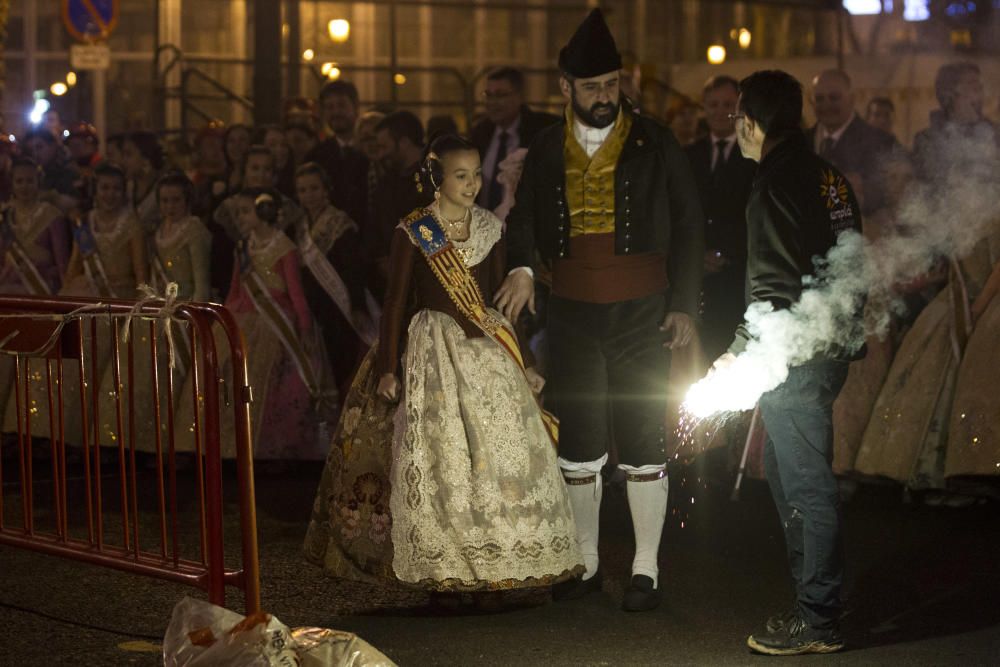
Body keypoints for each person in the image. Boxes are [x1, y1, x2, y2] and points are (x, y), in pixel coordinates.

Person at [304, 133, 583, 595]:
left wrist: (526, 361)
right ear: (437, 177)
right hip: (431, 355)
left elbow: (496, 306)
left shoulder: (491, 228)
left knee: (496, 464)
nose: (472, 184)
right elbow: (394, 303)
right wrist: (390, 366)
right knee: (443, 464)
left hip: (487, 357)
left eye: (476, 175)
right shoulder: (415, 230)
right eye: (460, 175)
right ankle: (445, 572)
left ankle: (497, 566)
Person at [496, 8, 705, 612]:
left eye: (611, 84)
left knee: (644, 438)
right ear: (565, 88)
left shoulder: (656, 139)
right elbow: (526, 220)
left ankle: (646, 569)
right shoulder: (542, 146)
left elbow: (690, 223)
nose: (605, 96)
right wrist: (526, 269)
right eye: (592, 88)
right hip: (574, 312)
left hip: (643, 309)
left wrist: (684, 305)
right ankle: (584, 563)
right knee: (580, 440)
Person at [712, 70, 862, 655]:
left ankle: (818, 619)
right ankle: (815, 600)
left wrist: (737, 352)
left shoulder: (774, 182)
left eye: (737, 119)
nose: (736, 129)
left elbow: (771, 289)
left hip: (794, 355)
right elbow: (854, 263)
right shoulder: (829, 175)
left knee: (804, 484)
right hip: (825, 347)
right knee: (788, 471)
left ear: (751, 122)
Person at [684, 75, 757, 363]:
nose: (719, 111)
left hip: (736, 275)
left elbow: (752, 214)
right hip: (698, 275)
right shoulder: (688, 154)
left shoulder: (753, 156)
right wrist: (698, 254)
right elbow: (683, 213)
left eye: (727, 105)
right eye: (713, 104)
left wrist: (724, 252)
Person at [293, 161, 370, 397]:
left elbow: (353, 269)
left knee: (343, 363)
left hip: (339, 307)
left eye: (314, 188)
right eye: (303, 190)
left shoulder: (340, 224)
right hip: (314, 308)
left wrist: (357, 305)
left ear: (326, 190)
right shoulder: (299, 228)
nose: (309, 195)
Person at [805, 70, 897, 214]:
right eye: (819, 99)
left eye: (834, 98)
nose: (826, 105)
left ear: (852, 99)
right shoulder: (800, 144)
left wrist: (863, 193)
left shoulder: (881, 143)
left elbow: (892, 196)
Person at [470, 66, 559, 211]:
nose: (492, 102)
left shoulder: (540, 132)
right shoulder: (480, 133)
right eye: (488, 95)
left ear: (519, 96)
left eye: (500, 95)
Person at [369, 111, 433, 297]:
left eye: (383, 147)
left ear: (404, 142)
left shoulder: (435, 179)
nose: (380, 155)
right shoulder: (386, 182)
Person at [122, 131, 166, 234]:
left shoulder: (164, 189)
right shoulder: (127, 188)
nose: (123, 161)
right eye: (123, 154)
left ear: (146, 158)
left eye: (128, 155)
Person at [318, 80, 360, 146]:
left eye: (342, 105)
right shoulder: (318, 154)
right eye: (330, 107)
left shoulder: (371, 151)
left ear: (355, 106)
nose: (336, 112)